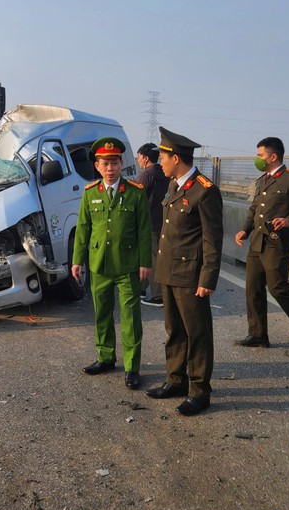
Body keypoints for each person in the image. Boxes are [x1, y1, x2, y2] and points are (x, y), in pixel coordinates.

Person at [145, 127, 223, 416]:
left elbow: (212, 239)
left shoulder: (205, 190)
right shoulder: (175, 185)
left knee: (198, 333)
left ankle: (200, 391)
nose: (159, 162)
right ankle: (176, 380)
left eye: (162, 157)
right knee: (174, 330)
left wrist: (208, 278)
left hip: (191, 276)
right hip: (169, 272)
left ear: (176, 158)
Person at [72, 137, 152, 390]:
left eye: (115, 162)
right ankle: (105, 357)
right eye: (105, 163)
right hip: (99, 266)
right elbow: (83, 228)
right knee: (102, 315)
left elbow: (144, 230)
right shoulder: (90, 192)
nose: (110, 168)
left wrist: (144, 263)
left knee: (130, 318)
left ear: (121, 165)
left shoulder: (136, 193)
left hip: (127, 265)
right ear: (97, 166)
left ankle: (132, 367)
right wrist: (77, 261)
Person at [234, 137, 289, 346]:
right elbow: (255, 208)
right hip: (257, 241)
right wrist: (244, 230)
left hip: (277, 242)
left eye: (260, 155)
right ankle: (257, 335)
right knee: (253, 288)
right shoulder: (262, 180)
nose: (257, 159)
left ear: (273, 157)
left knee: (278, 288)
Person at [136, 142, 169, 307]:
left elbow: (136, 200)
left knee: (151, 257)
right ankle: (141, 288)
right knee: (155, 256)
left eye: (139, 157)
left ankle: (158, 295)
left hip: (147, 223)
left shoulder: (145, 176)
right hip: (163, 221)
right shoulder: (166, 173)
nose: (138, 160)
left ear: (146, 158)